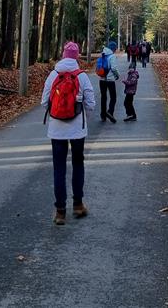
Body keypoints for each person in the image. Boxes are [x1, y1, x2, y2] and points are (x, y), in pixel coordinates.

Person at [41, 41, 95, 225]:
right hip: (78, 129)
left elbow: (43, 101)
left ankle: (60, 212)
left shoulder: (53, 75)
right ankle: (78, 205)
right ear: (77, 56)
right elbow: (91, 103)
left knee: (59, 168)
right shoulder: (81, 76)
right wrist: (83, 116)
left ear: (63, 55)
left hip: (56, 130)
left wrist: (56, 112)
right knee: (78, 164)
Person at [98, 40, 120, 122]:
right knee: (113, 97)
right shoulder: (112, 56)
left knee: (103, 97)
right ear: (114, 48)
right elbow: (113, 68)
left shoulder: (103, 55)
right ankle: (110, 112)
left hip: (102, 79)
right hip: (110, 80)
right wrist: (117, 75)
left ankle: (103, 115)